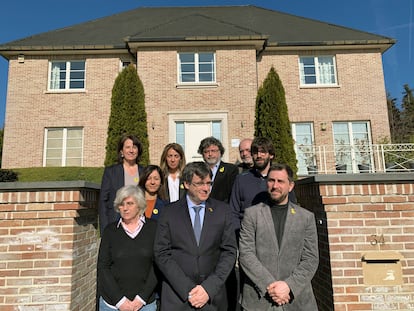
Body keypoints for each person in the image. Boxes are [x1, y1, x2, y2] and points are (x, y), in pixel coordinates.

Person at [154, 161, 237, 311]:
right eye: (199, 183)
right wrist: (187, 290)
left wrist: (208, 289)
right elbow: (161, 253)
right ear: (186, 184)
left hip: (212, 298)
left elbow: (229, 252)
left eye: (209, 183)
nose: (206, 188)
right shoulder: (169, 213)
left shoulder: (223, 211)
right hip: (177, 297)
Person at [238, 164, 319, 310]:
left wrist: (289, 286)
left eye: (280, 181)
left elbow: (311, 259)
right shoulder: (251, 215)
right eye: (271, 180)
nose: (275, 186)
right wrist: (271, 286)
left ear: (291, 185)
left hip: (296, 300)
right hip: (259, 300)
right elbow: (246, 255)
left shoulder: (306, 217)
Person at [97, 185, 158, 311]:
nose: (125, 208)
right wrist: (120, 301)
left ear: (139, 205)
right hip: (112, 305)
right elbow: (103, 267)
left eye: (130, 203)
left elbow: (157, 266)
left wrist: (141, 299)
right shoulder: (110, 231)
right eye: (121, 204)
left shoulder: (154, 229)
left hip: (144, 304)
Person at [230, 136, 296, 235]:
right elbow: (233, 212)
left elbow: (292, 208)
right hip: (247, 236)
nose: (259, 155)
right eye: (255, 152)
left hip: (276, 235)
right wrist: (240, 234)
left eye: (263, 152)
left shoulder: (280, 179)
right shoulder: (241, 179)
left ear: (271, 155)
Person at [99, 134, 145, 233]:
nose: (131, 150)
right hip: (116, 222)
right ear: (121, 151)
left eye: (134, 147)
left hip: (139, 224)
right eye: (127, 147)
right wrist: (104, 229)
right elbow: (103, 201)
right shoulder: (111, 172)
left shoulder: (144, 172)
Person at [197, 137, 238, 203]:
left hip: (222, 209)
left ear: (220, 152)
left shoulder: (231, 170)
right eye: (206, 151)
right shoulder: (197, 170)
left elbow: (233, 194)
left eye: (213, 151)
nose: (210, 154)